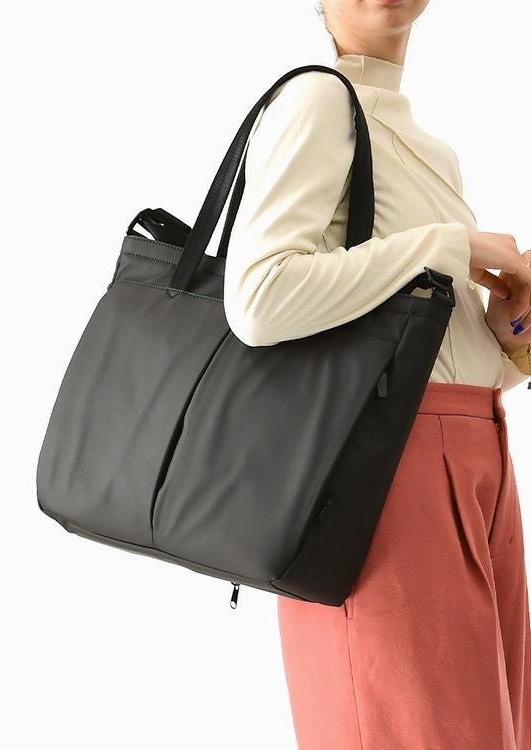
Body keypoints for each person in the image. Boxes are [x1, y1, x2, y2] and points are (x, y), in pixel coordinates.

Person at [222, 1, 531, 747]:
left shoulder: (431, 149)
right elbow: (257, 300)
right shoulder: (315, 99)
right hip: (381, 475)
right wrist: (448, 244)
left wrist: (509, 338)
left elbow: (435, 362)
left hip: (474, 459)